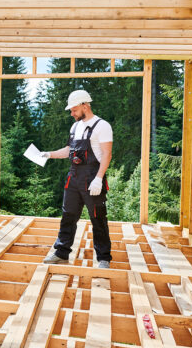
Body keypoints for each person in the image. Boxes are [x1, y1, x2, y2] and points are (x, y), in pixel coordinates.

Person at [40, 90, 113, 268]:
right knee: (68, 215)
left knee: (98, 218)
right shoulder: (75, 127)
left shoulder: (102, 126)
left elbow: (106, 153)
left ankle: (103, 258)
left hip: (92, 179)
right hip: (73, 178)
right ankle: (61, 253)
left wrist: (99, 178)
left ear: (84, 106)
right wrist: (48, 154)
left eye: (73, 110)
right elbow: (68, 151)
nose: (72, 114)